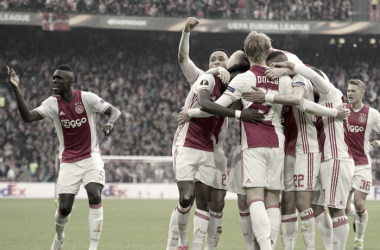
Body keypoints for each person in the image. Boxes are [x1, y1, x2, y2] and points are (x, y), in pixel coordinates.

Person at [242, 52, 350, 250]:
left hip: (306, 147)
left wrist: (286, 70)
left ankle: (312, 247)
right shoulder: (277, 83)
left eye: (273, 66)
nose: (269, 70)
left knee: (305, 203)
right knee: (288, 204)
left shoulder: (300, 78)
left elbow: (301, 102)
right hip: (285, 148)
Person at [6, 65, 121, 250]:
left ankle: (93, 247)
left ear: (69, 82)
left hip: (91, 157)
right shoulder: (52, 103)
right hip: (68, 161)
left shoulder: (86, 98)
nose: (54, 81)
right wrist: (16, 88)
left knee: (94, 194)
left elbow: (115, 111)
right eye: (53, 78)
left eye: (58, 78)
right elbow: (27, 117)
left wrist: (109, 122)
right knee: (65, 208)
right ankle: (59, 238)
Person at [166, 17, 231, 250]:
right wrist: (185, 32)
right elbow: (183, 58)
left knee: (204, 203)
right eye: (213, 59)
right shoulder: (201, 78)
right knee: (186, 198)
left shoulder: (234, 86)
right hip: (186, 143)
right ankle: (178, 243)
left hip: (210, 150)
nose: (216, 61)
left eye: (221, 59)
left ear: (229, 63)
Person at [345, 79, 380, 250]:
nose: (349, 93)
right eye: (348, 90)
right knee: (342, 208)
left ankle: (359, 240)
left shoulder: (372, 113)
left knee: (359, 203)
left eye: (353, 91)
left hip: (362, 164)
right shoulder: (342, 110)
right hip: (344, 163)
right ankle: (355, 217)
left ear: (362, 93)